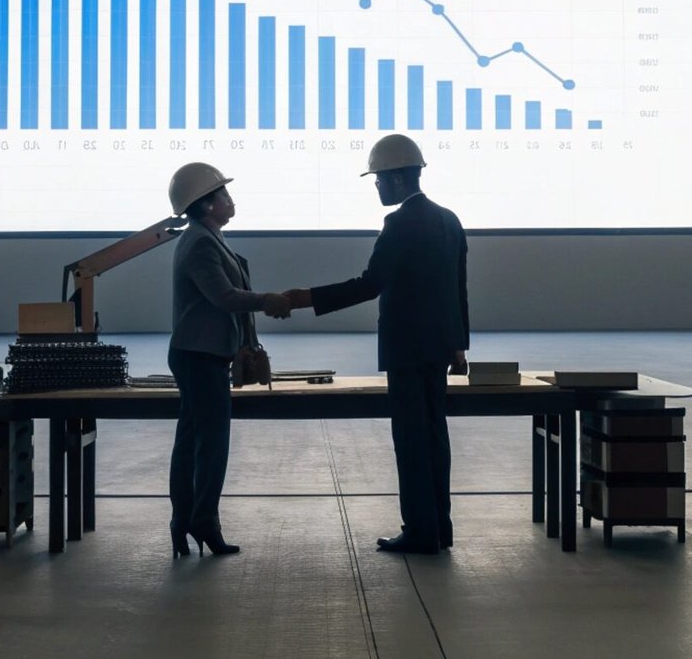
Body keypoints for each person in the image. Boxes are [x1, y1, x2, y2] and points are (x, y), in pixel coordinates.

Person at [267, 134, 468, 554]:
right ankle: (439, 528)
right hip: (437, 348)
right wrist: (458, 346)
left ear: (395, 180)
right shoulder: (449, 219)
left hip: (407, 350)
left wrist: (307, 298)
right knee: (435, 438)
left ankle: (419, 531)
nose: (377, 187)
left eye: (378, 180)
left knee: (412, 441)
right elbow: (457, 289)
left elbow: (371, 284)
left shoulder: (399, 223)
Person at [166, 161, 286, 559]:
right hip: (199, 358)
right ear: (205, 204)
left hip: (201, 355)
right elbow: (224, 297)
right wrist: (269, 300)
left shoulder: (208, 237)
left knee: (192, 442)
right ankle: (202, 523)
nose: (229, 199)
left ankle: (185, 521)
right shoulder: (201, 242)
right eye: (222, 194)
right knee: (210, 446)